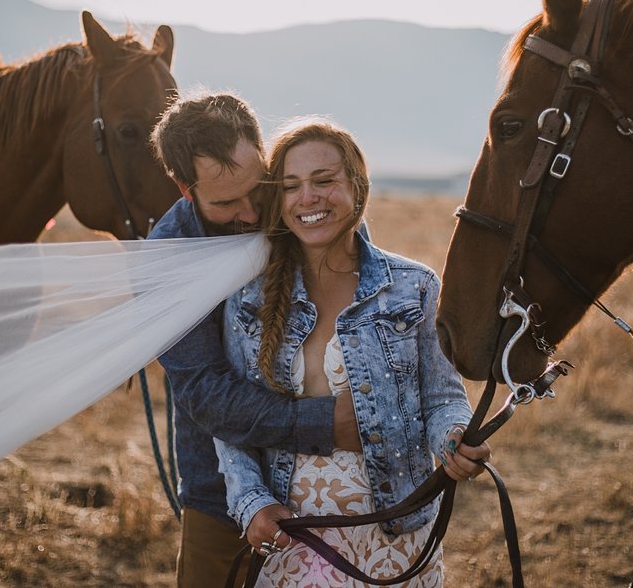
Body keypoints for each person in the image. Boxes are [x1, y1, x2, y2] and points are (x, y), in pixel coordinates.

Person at [216, 120, 489, 586]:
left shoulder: (413, 287)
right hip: (294, 539)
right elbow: (233, 421)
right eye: (291, 186)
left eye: (324, 180)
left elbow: (443, 398)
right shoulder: (248, 298)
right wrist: (252, 503)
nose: (308, 198)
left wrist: (453, 440)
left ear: (357, 187)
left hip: (398, 535)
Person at [148, 94, 363, 587]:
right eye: (225, 203)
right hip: (219, 492)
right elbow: (205, 393)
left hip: (329, 483)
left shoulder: (302, 207)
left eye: (257, 189)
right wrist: (325, 421)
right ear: (185, 189)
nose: (250, 213)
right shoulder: (167, 257)